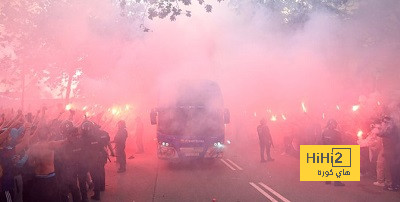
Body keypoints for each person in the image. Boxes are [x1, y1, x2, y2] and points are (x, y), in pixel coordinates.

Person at [377, 116, 399, 191]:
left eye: (385, 122)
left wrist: (377, 129)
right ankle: (393, 184)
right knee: (391, 169)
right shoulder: (391, 128)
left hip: (392, 152)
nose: (383, 123)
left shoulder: (391, 129)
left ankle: (394, 185)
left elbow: (381, 134)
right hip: (391, 151)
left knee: (393, 169)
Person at [321, 119, 345, 187]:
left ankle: (328, 179)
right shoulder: (337, 133)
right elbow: (340, 142)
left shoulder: (324, 131)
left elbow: (322, 141)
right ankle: (337, 181)